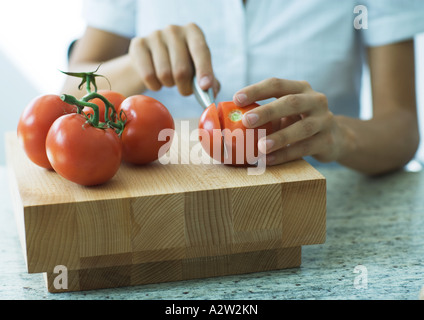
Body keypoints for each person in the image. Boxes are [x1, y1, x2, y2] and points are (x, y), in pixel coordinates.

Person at [63, 0, 424, 175]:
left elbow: (402, 128)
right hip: (156, 195)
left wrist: (340, 136)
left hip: (319, 200)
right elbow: (69, 90)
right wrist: (134, 64)